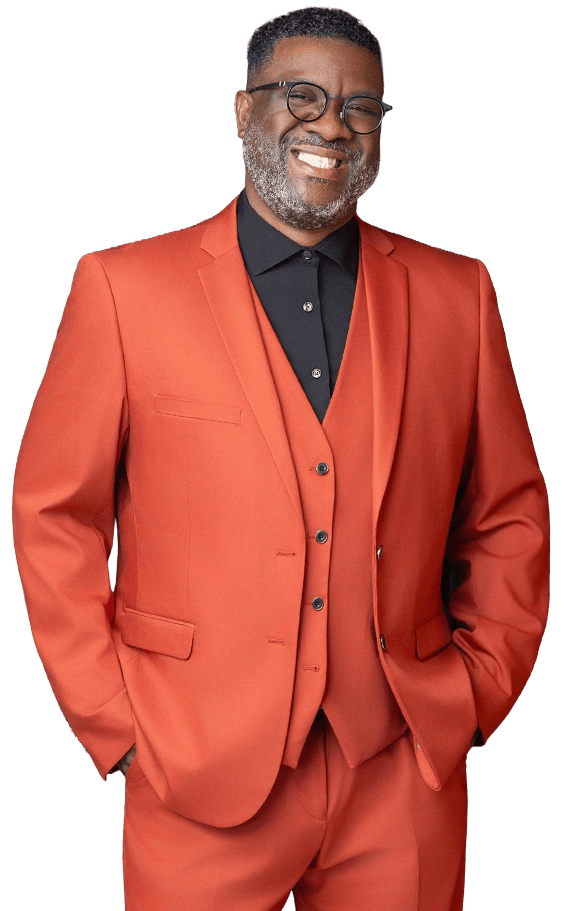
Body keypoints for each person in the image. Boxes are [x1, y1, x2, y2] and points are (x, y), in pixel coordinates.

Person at [12, 5, 550, 910]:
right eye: (301, 96)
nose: (332, 125)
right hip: (193, 765)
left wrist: (474, 691)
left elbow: (509, 515)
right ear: (243, 110)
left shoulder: (460, 294)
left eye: (360, 106)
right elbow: (53, 515)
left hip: (401, 771)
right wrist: (115, 720)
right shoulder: (123, 289)